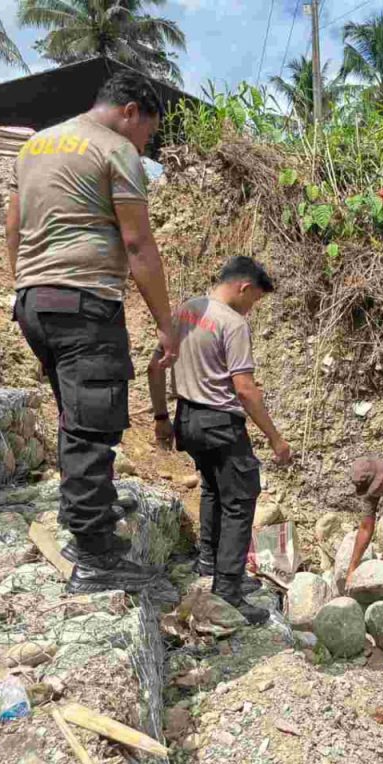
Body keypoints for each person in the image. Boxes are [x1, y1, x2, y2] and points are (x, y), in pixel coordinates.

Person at [8, 70, 178, 597]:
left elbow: (12, 225)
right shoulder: (114, 149)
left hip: (35, 299)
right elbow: (137, 243)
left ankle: (90, 509)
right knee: (92, 425)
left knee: (73, 413)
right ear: (131, 110)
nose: (144, 144)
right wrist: (167, 325)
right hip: (83, 301)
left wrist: (22, 286)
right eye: (147, 132)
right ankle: (96, 556)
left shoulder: (36, 145)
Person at [148, 256, 291, 625]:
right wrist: (275, 439)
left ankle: (208, 560)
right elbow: (244, 390)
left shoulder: (186, 311)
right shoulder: (233, 323)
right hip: (220, 422)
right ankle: (228, 589)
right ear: (244, 287)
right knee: (241, 497)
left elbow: (154, 366)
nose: (253, 308)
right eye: (255, 299)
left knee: (213, 487)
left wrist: (162, 417)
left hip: (187, 419)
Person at [344, 457, 383, 589]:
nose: (375, 493)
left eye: (377, 488)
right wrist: (352, 568)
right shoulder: (369, 487)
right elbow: (365, 527)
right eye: (372, 490)